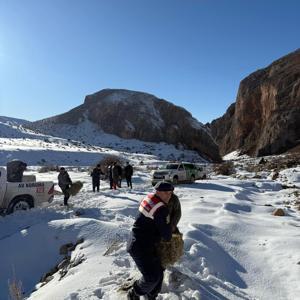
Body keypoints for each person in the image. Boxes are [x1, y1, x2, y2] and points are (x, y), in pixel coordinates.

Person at [127, 181, 174, 300]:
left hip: (140, 240)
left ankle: (151, 296)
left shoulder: (149, 197)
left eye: (170, 193)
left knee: (159, 271)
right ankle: (134, 293)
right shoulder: (161, 209)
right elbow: (167, 235)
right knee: (151, 277)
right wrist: (169, 226)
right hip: (140, 246)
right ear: (158, 192)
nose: (169, 195)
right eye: (165, 193)